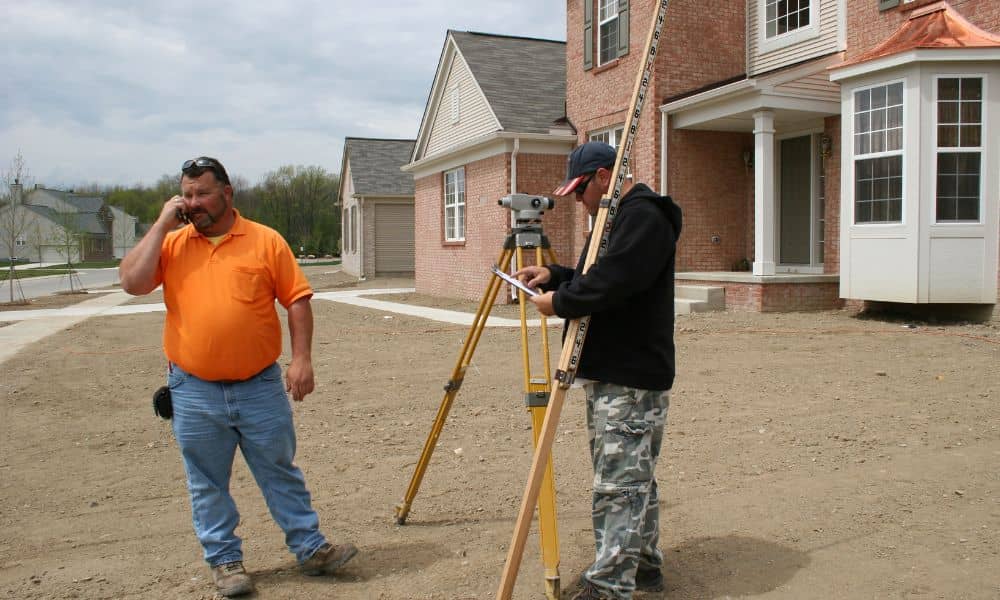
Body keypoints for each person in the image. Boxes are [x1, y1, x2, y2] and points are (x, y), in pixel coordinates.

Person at [119, 156, 356, 597]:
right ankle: (225, 562)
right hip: (193, 389)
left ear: (227, 194)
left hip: (259, 385)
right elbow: (132, 282)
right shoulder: (171, 244)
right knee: (207, 480)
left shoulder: (265, 241)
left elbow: (297, 301)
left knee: (279, 470)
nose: (193, 203)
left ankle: (310, 550)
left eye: (202, 193)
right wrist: (161, 223)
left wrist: (301, 359)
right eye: (186, 195)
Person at [514, 142, 682, 600]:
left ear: (604, 177)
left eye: (580, 190)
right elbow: (598, 275)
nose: (577, 200)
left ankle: (609, 585)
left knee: (618, 484)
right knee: (633, 477)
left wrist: (561, 303)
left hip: (629, 377)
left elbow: (617, 280)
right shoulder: (615, 218)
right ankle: (643, 564)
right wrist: (557, 276)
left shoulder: (642, 216)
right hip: (617, 372)